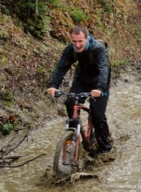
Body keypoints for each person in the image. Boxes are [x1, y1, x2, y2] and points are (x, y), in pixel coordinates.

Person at [46, 25, 113, 153]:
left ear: (87, 38)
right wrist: (53, 85)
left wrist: (99, 88)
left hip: (100, 81)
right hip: (82, 78)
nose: (77, 45)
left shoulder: (97, 49)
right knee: (70, 101)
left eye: (80, 41)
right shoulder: (70, 50)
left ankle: (105, 148)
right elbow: (61, 67)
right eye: (74, 41)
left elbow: (104, 69)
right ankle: (73, 133)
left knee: (97, 115)